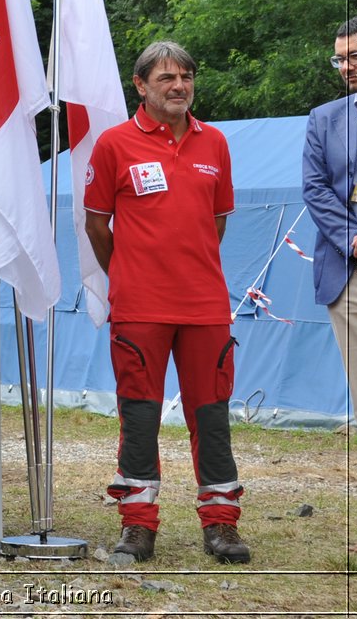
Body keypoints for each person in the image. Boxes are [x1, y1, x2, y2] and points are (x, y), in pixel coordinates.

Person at [84, 40, 249, 564]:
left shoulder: (216, 143)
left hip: (204, 306)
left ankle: (222, 525)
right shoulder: (114, 144)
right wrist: (134, 272)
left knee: (212, 415)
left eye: (186, 77)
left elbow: (215, 223)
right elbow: (96, 224)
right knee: (140, 415)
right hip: (139, 306)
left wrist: (186, 267)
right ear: (141, 85)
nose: (179, 86)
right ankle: (138, 526)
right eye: (166, 79)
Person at [302, 16, 357, 556]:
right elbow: (315, 189)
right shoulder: (325, 119)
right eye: (341, 60)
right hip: (351, 277)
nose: (350, 68)